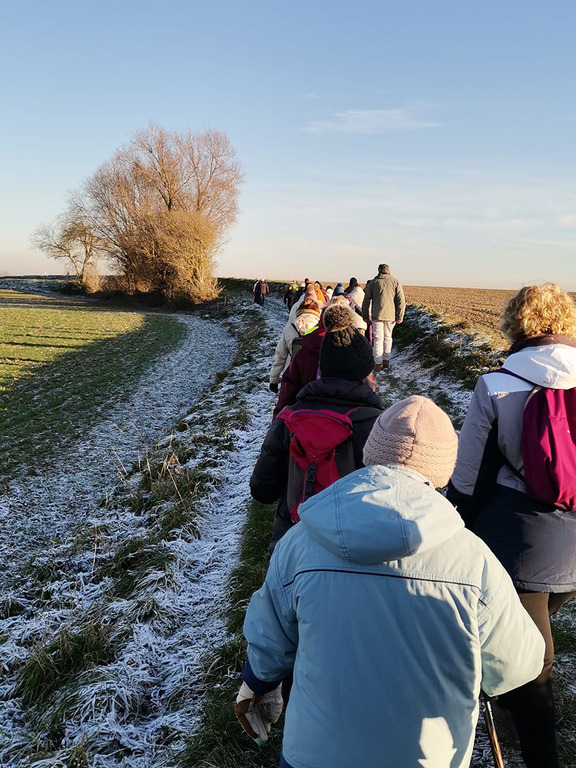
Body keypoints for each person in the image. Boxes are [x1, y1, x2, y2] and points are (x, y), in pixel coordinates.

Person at [237, 396, 545, 768]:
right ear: (443, 470)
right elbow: (517, 666)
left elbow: (268, 642)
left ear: (371, 452)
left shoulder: (300, 541)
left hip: (313, 755)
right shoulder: (473, 558)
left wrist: (257, 684)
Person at [447, 282, 576, 768]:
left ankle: (539, 752)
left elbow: (468, 475)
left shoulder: (497, 385)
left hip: (521, 542)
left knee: (532, 660)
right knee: (536, 621)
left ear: (515, 323)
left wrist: (452, 523)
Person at [251, 302, 383, 551]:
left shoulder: (288, 421)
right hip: (350, 547)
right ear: (366, 376)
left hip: (291, 543)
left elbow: (262, 490)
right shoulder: (378, 428)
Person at [269, 299, 321, 393]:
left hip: (291, 375)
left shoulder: (289, 328)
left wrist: (273, 380)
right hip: (312, 377)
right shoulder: (320, 328)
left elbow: (280, 356)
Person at [362, 263, 405, 371]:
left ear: (379, 271)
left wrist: (365, 316)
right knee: (388, 337)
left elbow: (366, 300)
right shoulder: (395, 282)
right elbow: (401, 300)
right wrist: (400, 315)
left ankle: (377, 364)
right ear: (388, 271)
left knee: (378, 339)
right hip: (391, 316)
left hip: (377, 315)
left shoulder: (374, 282)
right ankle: (386, 361)